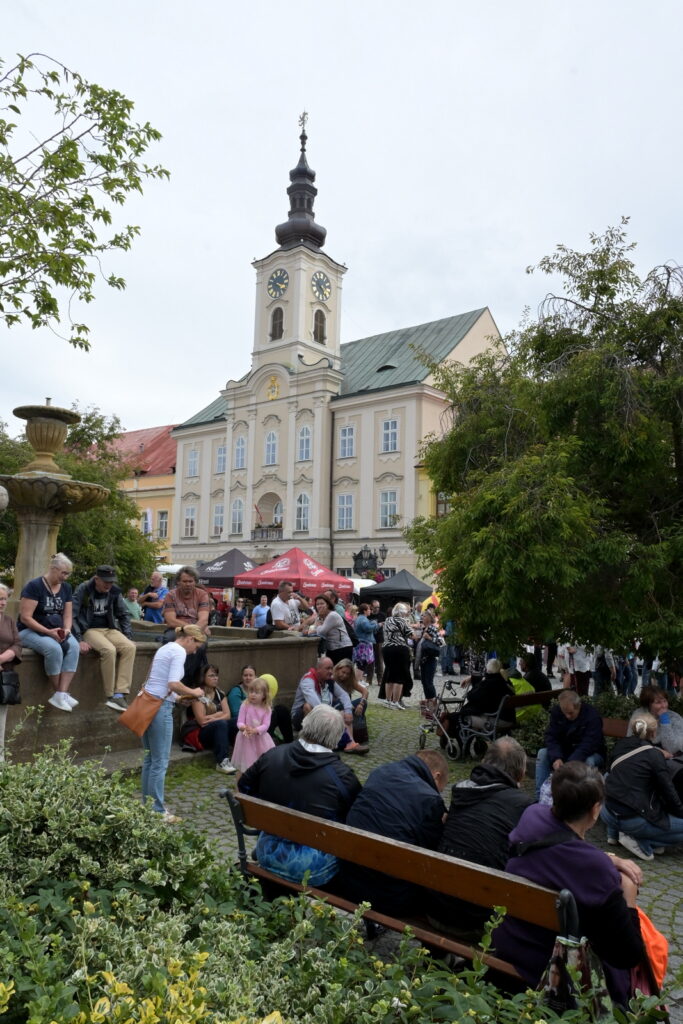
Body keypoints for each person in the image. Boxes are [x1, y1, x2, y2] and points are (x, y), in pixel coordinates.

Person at [493, 762, 645, 1008]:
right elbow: (627, 955)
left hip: (512, 943)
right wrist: (629, 896)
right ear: (595, 810)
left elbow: (565, 848)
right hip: (549, 970)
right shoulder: (596, 870)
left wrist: (609, 858)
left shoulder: (531, 817)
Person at [237, 704, 362, 885]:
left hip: (267, 850)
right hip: (311, 866)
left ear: (305, 724)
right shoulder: (343, 778)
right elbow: (356, 818)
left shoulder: (272, 755)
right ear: (336, 739)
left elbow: (244, 786)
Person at [429, 737, 533, 934]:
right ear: (520, 774)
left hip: (436, 908)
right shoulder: (523, 806)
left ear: (485, 762)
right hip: (478, 922)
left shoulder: (461, 791)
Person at [339, 749, 448, 915]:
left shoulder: (380, 772)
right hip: (389, 896)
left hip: (349, 878)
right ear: (436, 776)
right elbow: (431, 852)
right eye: (441, 788)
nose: (438, 792)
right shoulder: (430, 800)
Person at [141, 624, 205, 822]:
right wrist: (194, 692)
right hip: (160, 707)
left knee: (150, 759)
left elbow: (157, 681)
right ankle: (157, 811)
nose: (195, 651)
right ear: (190, 639)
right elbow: (173, 683)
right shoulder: (179, 652)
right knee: (160, 762)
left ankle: (147, 807)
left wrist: (178, 698)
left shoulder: (165, 648)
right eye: (196, 646)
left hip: (147, 703)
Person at [601, 712, 683, 860]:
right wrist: (680, 812)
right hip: (630, 818)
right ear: (653, 733)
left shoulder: (621, 745)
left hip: (607, 812)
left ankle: (614, 834)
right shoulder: (654, 755)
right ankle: (642, 841)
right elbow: (668, 791)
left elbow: (611, 774)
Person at [17, 552, 80, 712]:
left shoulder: (66, 588)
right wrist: (48, 632)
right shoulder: (34, 586)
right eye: (63, 573)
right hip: (29, 631)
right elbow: (25, 618)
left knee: (74, 646)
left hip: (57, 629)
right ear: (53, 568)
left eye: (68, 574)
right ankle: (59, 692)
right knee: (53, 649)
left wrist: (67, 630)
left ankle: (61, 694)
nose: (65, 577)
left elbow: (67, 615)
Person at [71, 565, 136, 712]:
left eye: (111, 582)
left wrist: (128, 636)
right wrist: (79, 639)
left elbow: (123, 614)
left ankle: (120, 694)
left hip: (109, 629)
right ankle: (110, 695)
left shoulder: (114, 591)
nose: (109, 585)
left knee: (130, 647)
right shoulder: (84, 589)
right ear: (96, 579)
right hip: (89, 629)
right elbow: (72, 615)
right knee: (109, 650)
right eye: (106, 581)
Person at [534, 688, 605, 798]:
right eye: (565, 713)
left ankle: (582, 798)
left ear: (578, 706)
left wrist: (570, 763)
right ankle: (540, 797)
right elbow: (551, 736)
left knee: (588, 761)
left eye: (571, 713)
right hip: (565, 750)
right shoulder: (557, 712)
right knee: (542, 753)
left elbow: (589, 744)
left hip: (592, 752)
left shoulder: (592, 716)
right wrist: (556, 757)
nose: (567, 716)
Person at [290, 656, 368, 754]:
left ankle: (350, 744)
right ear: (318, 669)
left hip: (323, 715)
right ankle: (312, 742)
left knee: (345, 712)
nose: (331, 671)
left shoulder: (329, 681)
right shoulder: (308, 680)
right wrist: (333, 715)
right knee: (308, 706)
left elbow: (343, 695)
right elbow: (317, 705)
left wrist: (348, 711)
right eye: (328, 668)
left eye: (331, 668)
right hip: (300, 718)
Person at [182, 664, 236, 774]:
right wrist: (218, 715)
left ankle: (242, 754)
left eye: (216, 675)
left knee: (237, 721)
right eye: (211, 675)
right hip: (201, 732)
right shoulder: (198, 694)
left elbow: (228, 715)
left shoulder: (220, 694)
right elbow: (202, 721)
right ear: (203, 677)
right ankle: (222, 762)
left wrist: (215, 717)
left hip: (218, 729)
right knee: (221, 724)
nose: (215, 678)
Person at [162, 566, 210, 686]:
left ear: (195, 582)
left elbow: (204, 619)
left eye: (190, 581)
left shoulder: (202, 594)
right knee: (168, 640)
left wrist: (194, 631)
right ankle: (172, 678)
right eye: (184, 581)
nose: (188, 584)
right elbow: (171, 621)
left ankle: (188, 681)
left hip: (196, 629)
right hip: (176, 629)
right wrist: (191, 628)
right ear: (178, 582)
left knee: (201, 646)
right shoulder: (170, 595)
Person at [228, 664, 293, 745]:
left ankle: (289, 742)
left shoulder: (262, 689)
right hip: (245, 726)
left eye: (251, 675)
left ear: (256, 677)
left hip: (261, 723)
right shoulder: (236, 691)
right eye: (245, 675)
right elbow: (236, 714)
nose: (248, 678)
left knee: (281, 709)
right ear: (242, 677)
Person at [231, 676, 275, 777]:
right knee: (244, 767)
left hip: (260, 740)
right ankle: (239, 785)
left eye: (257, 692)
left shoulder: (267, 709)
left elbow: (266, 725)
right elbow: (239, 722)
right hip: (245, 739)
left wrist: (255, 730)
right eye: (251, 691)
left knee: (261, 764)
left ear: (264, 695)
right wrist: (244, 728)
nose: (253, 694)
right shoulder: (245, 705)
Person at [0, 583, 22, 758]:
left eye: (4, 599)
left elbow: (17, 643)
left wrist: (5, 656)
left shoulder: (9, 621)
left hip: (4, 677)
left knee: (1, 720)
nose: (2, 602)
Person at [379, 602, 414, 709]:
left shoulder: (387, 620)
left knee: (389, 674)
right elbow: (411, 635)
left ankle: (387, 701)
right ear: (402, 612)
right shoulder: (402, 621)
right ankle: (395, 702)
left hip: (386, 649)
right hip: (399, 649)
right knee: (399, 676)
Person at [308, 594, 353, 665]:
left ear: (328, 604)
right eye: (317, 604)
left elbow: (321, 632)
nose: (319, 606)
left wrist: (317, 625)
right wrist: (317, 624)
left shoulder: (332, 615)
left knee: (340, 671)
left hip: (342, 648)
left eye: (322, 603)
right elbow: (313, 630)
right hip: (332, 648)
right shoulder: (323, 616)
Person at [333, 658, 369, 745]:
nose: (345, 675)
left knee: (363, 703)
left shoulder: (349, 681)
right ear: (338, 669)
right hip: (335, 707)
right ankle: (357, 730)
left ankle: (357, 728)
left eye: (348, 674)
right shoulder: (331, 679)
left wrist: (361, 704)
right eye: (343, 672)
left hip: (347, 707)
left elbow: (365, 691)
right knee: (348, 706)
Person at [414, 609, 444, 703]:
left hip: (430, 658)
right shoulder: (424, 628)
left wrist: (429, 638)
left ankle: (433, 701)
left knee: (428, 681)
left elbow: (441, 642)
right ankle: (428, 700)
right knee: (424, 681)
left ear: (429, 618)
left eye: (424, 616)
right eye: (422, 616)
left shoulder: (433, 628)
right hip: (424, 659)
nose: (422, 617)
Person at [352, 602, 377, 679]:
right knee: (362, 664)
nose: (370, 610)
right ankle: (356, 681)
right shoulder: (363, 619)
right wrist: (376, 624)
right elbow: (367, 628)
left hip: (361, 643)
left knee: (361, 664)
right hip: (363, 644)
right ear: (364, 611)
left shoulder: (360, 618)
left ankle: (358, 680)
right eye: (369, 609)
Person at [367, 599, 386, 687]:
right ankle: (369, 679)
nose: (377, 609)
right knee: (370, 660)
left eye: (378, 607)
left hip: (379, 639)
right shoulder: (368, 615)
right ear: (371, 606)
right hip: (370, 640)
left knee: (379, 660)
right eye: (375, 607)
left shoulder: (382, 615)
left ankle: (380, 679)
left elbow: (385, 626)